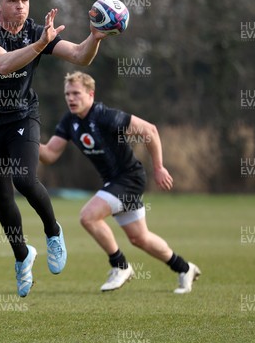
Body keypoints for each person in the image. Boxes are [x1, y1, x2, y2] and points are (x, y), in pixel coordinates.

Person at [0, 0, 110, 297]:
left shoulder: (35, 31)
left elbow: (78, 56)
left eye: (25, 0)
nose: (20, 7)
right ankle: (22, 256)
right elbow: (2, 64)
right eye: (12, 1)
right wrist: (40, 44)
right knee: (2, 200)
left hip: (22, 116)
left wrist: (95, 38)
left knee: (24, 179)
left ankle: (53, 231)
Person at [39, 71, 201, 293]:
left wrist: (158, 167)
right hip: (114, 183)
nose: (70, 98)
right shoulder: (69, 121)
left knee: (88, 217)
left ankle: (120, 265)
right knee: (139, 238)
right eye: (67, 94)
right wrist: (22, 143)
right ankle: (184, 268)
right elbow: (49, 154)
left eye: (76, 93)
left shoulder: (105, 115)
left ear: (90, 94)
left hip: (129, 179)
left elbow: (149, 130)